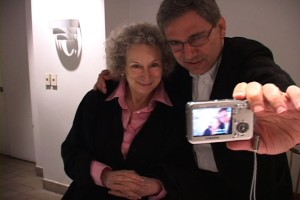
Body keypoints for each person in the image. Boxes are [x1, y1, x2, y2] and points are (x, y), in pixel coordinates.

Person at [94, 0, 300, 199]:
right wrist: (116, 75)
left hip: (250, 184)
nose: (188, 53)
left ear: (220, 27)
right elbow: (144, 73)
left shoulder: (245, 55)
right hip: (191, 185)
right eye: (175, 43)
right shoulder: (174, 71)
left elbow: (267, 75)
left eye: (197, 38)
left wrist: (283, 101)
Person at [61, 22, 196, 199]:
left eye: (154, 65)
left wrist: (157, 185)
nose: (146, 75)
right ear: (121, 67)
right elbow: (72, 153)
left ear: (164, 66)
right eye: (136, 66)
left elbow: (185, 166)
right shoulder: (96, 101)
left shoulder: (178, 110)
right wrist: (105, 176)